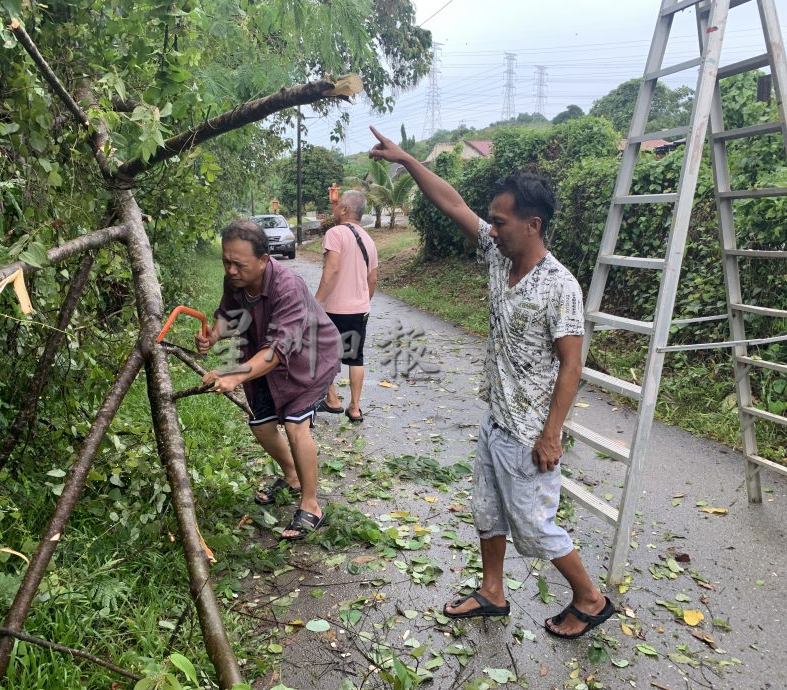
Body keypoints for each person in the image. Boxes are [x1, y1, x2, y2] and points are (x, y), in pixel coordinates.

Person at [369, 127, 614, 639]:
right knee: (487, 511)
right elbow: (452, 203)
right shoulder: (502, 256)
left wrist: (552, 433)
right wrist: (408, 159)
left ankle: (591, 599)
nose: (492, 228)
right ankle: (493, 592)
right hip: (496, 420)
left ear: (533, 224)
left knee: (535, 526)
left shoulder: (559, 285)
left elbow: (572, 365)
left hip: (529, 434)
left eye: (501, 221)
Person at [196, 220, 340, 540]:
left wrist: (233, 374)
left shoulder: (287, 285)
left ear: (263, 260)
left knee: (294, 425)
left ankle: (311, 504)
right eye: (226, 262)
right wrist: (213, 336)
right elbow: (228, 314)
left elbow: (276, 352)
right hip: (262, 356)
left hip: (308, 359)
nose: (231, 270)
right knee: (261, 425)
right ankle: (292, 477)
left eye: (239, 264)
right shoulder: (235, 280)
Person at [314, 189, 379, 424]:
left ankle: (332, 400)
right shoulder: (370, 241)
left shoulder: (335, 233)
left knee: (325, 354)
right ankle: (355, 408)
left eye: (338, 204)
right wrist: (362, 301)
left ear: (344, 210)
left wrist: (317, 300)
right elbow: (372, 280)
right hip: (359, 310)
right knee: (355, 357)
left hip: (334, 308)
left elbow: (330, 269)